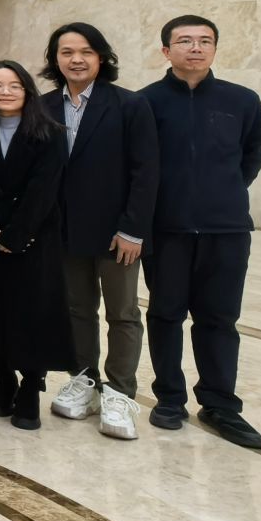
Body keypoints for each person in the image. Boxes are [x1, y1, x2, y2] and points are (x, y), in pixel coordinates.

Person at [139, 14, 261, 450]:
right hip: (166, 230)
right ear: (166, 50)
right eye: (184, 41)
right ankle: (169, 398)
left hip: (226, 229)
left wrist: (221, 194)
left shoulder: (242, 100)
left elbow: (252, 155)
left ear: (214, 48)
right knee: (165, 315)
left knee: (219, 319)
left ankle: (220, 405)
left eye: (204, 41)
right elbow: (137, 165)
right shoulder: (144, 103)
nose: (195, 48)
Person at [39, 22, 159, 442]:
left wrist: (133, 230)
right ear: (55, 59)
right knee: (76, 309)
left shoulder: (129, 105)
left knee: (122, 312)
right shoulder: (44, 106)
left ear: (102, 57)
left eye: (86, 52)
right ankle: (85, 381)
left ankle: (120, 392)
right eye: (67, 52)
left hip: (115, 233)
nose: (76, 59)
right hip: (65, 231)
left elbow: (146, 172)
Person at [0, 60, 75, 432]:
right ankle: (3, 377)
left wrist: (17, 234)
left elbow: (44, 189)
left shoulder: (50, 132)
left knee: (33, 313)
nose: (6, 91)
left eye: (14, 85)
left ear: (27, 90)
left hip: (36, 239)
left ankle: (30, 385)